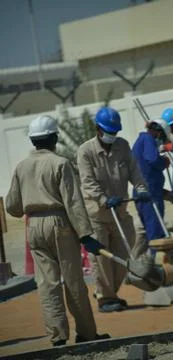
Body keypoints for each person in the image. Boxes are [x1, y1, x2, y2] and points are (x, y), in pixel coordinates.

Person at [6, 115, 108, 346]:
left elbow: (12, 206)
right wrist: (85, 234)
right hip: (59, 224)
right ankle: (86, 333)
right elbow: (73, 202)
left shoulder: (21, 167)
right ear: (54, 138)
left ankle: (58, 336)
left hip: (33, 225)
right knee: (73, 281)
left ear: (33, 140)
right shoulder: (60, 163)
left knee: (46, 284)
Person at [77, 107, 149, 313]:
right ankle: (105, 298)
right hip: (97, 216)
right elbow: (87, 182)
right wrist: (103, 199)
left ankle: (109, 293)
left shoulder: (123, 146)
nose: (112, 136)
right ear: (98, 129)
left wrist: (141, 188)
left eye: (115, 132)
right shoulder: (85, 151)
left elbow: (135, 171)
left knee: (122, 257)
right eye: (109, 131)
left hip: (120, 213)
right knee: (102, 260)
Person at [131, 119, 171, 257]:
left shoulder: (140, 142)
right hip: (150, 194)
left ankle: (143, 264)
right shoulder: (148, 139)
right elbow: (152, 160)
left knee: (150, 231)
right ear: (158, 132)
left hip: (143, 192)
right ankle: (158, 268)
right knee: (155, 234)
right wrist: (163, 162)